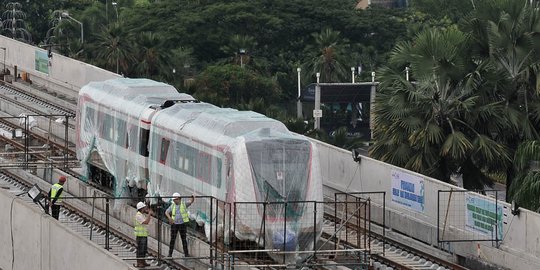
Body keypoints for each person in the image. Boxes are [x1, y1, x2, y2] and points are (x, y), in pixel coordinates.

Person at [165, 192, 194, 258]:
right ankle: (170, 254)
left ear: (178, 199)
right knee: (172, 239)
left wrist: (192, 197)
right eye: (173, 200)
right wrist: (170, 218)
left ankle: (186, 254)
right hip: (174, 224)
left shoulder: (184, 204)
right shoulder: (173, 205)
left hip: (182, 224)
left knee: (183, 239)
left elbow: (191, 201)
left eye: (175, 199)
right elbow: (166, 212)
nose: (174, 201)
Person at [134, 201, 153, 268]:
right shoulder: (138, 215)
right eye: (144, 208)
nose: (145, 209)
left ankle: (143, 261)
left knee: (144, 249)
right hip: (140, 235)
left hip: (143, 235)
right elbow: (146, 222)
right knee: (140, 249)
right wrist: (149, 214)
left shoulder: (141, 215)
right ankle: (139, 262)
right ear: (141, 208)